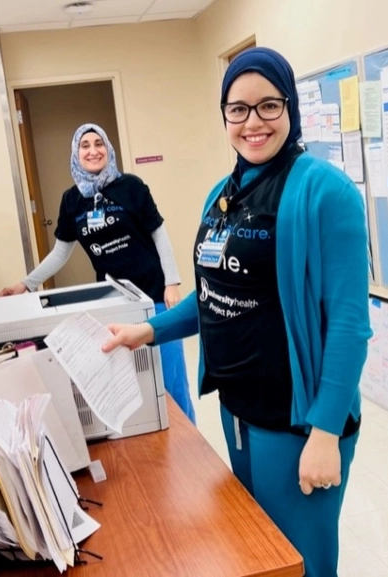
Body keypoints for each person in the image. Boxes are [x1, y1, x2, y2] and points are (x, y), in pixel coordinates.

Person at [101, 48, 371, 577]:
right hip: (239, 412)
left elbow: (349, 325)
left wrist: (325, 431)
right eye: (238, 109)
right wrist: (147, 331)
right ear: (224, 115)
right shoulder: (221, 196)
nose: (253, 122)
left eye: (269, 105)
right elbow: (212, 296)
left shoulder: (325, 191)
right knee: (261, 557)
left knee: (304, 564)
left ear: (289, 107)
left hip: (299, 425)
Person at [0, 123, 195, 423]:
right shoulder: (71, 200)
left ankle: (187, 440)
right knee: (132, 384)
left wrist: (171, 282)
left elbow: (159, 234)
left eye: (98, 143)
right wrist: (26, 285)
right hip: (114, 302)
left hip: (153, 294)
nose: (93, 151)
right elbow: (61, 252)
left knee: (171, 380)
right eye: (85, 145)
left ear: (108, 149)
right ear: (76, 154)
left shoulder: (131, 186)